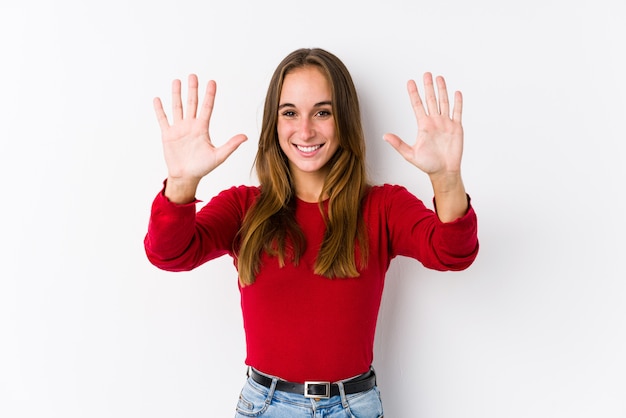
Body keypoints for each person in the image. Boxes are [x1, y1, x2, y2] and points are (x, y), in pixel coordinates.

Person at [145, 48, 478, 417]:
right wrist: (181, 182)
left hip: (353, 407)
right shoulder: (244, 207)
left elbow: (452, 253)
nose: (305, 130)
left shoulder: (382, 207)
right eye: (290, 113)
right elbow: (170, 254)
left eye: (322, 112)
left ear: (345, 120)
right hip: (265, 406)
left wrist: (446, 180)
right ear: (274, 122)